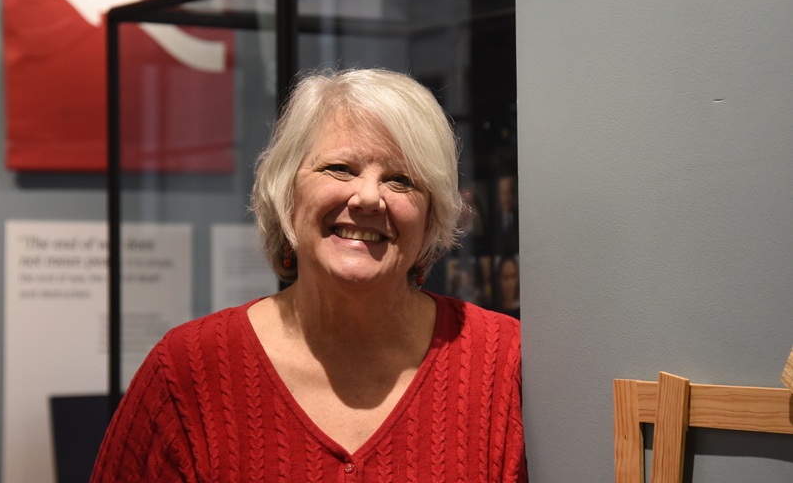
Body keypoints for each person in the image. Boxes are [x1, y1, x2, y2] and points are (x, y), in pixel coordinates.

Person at [90, 68, 526, 482]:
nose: (368, 198)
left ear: (431, 217)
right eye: (340, 169)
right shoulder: (188, 371)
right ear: (287, 194)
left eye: (401, 180)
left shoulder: (504, 366)